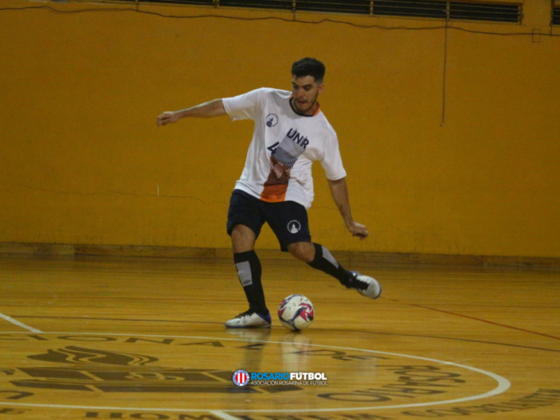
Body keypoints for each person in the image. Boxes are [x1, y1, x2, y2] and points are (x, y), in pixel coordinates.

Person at [157, 57, 381, 328]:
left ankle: (349, 279)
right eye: (295, 86)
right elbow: (222, 106)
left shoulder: (324, 132)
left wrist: (349, 221)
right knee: (240, 236)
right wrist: (181, 113)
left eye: (307, 88)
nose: (300, 94)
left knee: (300, 249)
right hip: (249, 187)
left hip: (289, 194)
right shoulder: (266, 99)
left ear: (320, 88)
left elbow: (336, 179)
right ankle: (258, 311)